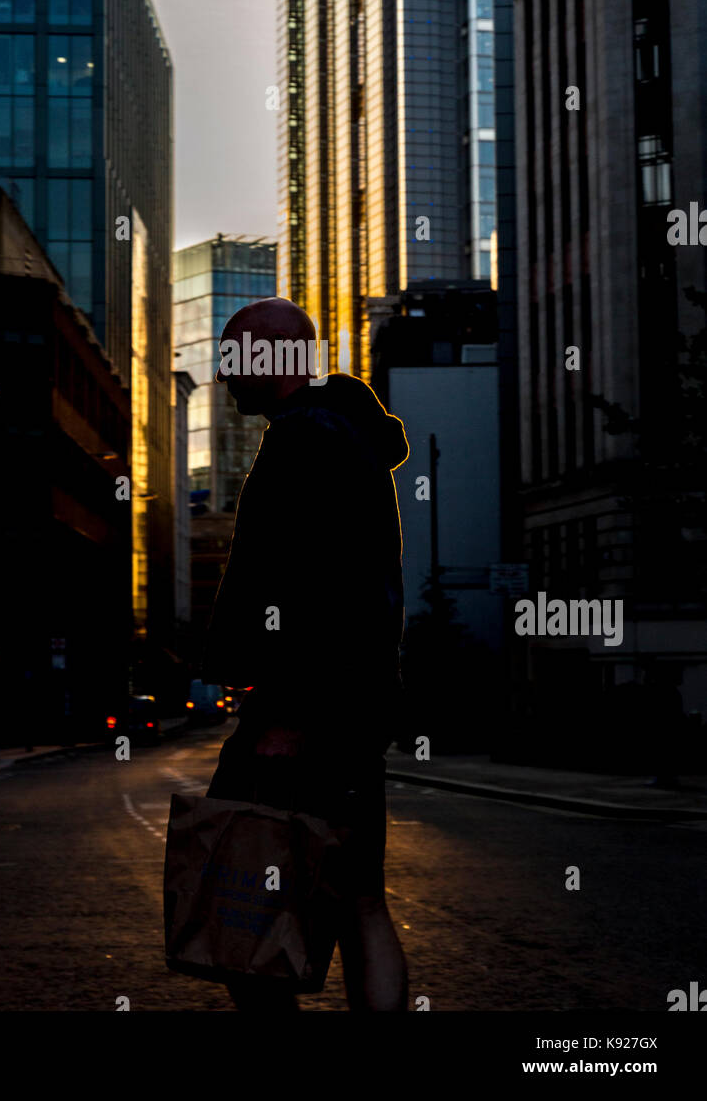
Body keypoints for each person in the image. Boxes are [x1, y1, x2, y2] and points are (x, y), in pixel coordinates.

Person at [200, 297, 410, 1012]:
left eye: (232, 357)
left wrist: (287, 714)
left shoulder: (307, 442)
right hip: (352, 708)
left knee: (240, 888)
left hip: (307, 717)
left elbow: (320, 590)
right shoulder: (342, 431)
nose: (224, 375)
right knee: (360, 899)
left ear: (272, 355)